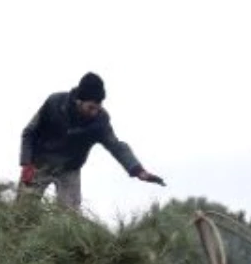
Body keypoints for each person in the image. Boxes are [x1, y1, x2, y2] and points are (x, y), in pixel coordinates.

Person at [18, 71, 165, 210]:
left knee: (69, 218)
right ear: (78, 101)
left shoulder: (100, 121)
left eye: (98, 107)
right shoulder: (54, 103)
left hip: (69, 168)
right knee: (23, 211)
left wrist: (138, 170)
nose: (94, 112)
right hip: (39, 163)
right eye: (90, 108)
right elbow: (29, 132)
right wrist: (26, 163)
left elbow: (116, 146)